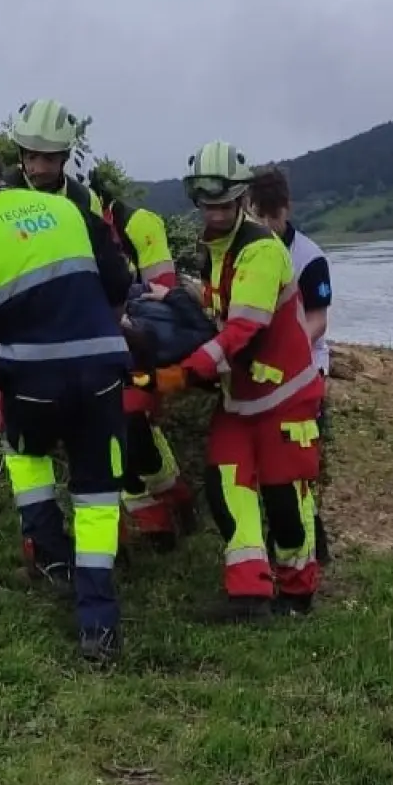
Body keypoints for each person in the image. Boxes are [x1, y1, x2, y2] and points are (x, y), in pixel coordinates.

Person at [0, 130, 134, 662]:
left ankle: (51, 559)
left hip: (34, 388)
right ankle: (98, 624)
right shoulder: (67, 210)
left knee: (26, 453)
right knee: (96, 498)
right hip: (102, 378)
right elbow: (118, 280)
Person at [148, 141, 325, 621]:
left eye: (225, 203)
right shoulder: (216, 248)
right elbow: (216, 308)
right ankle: (249, 594)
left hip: (285, 399)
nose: (217, 212)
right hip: (240, 401)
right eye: (209, 204)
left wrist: (184, 373)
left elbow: (243, 328)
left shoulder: (262, 251)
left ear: (242, 197)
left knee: (285, 500)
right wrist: (171, 301)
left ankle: (298, 591)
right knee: (228, 488)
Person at [7, 96, 195, 548]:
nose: (38, 165)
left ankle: (155, 512)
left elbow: (109, 269)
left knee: (120, 423)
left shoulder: (89, 204)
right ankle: (45, 540)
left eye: (48, 157)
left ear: (65, 157)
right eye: (31, 155)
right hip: (26, 332)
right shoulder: (5, 196)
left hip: (89, 328)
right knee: (29, 439)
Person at [248, 166, 335, 566]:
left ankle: (309, 539)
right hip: (259, 375)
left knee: (299, 461)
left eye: (274, 217)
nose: (267, 226)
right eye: (258, 217)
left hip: (304, 372)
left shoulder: (310, 257)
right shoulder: (243, 251)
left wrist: (286, 347)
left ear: (287, 208)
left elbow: (318, 320)